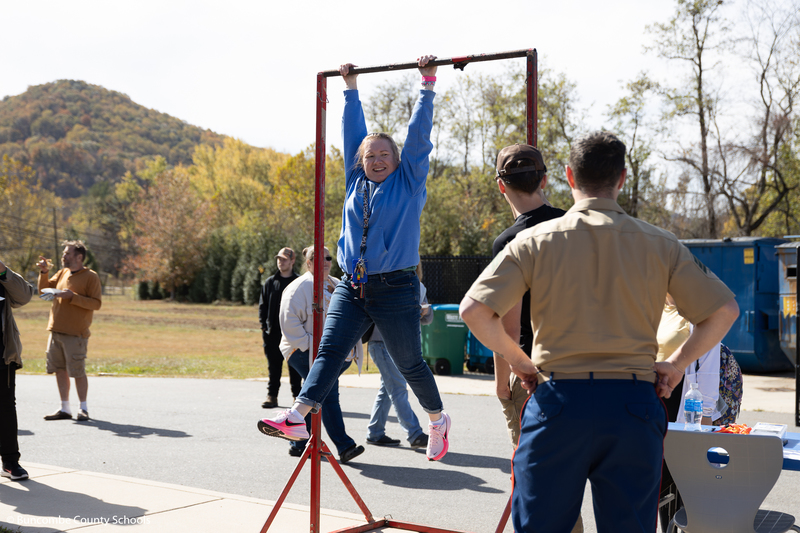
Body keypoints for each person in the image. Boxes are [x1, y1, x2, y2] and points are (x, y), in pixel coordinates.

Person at [459, 131, 739, 533]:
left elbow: (474, 311)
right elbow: (724, 309)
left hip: (558, 400)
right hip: (632, 405)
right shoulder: (662, 244)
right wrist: (676, 365)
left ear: (570, 177)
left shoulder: (531, 241)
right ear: (622, 178)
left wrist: (522, 364)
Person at [259, 54, 452, 462]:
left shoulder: (409, 182)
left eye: (384, 155)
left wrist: (427, 85)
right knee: (327, 351)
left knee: (410, 363)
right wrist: (350, 91)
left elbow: (419, 137)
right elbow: (353, 135)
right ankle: (297, 415)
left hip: (395, 287)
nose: (376, 159)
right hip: (351, 284)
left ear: (397, 162)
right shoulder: (355, 181)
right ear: (360, 162)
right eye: (370, 156)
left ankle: (436, 420)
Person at [490, 144, 566, 448]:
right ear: (544, 180)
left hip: (530, 369)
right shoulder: (573, 225)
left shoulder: (509, 241)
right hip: (579, 366)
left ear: (500, 186)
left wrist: (500, 383)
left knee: (531, 473)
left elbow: (504, 324)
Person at [278, 246, 364, 464]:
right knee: (327, 392)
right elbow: (289, 324)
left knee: (314, 393)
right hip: (303, 352)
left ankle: (298, 442)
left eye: (328, 257)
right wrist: (311, 346)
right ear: (307, 263)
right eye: (316, 258)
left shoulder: (337, 284)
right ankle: (344, 446)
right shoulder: (298, 288)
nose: (324, 261)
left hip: (330, 354)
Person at [364, 263, 430, 449]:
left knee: (389, 388)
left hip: (396, 344)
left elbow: (429, 317)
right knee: (398, 388)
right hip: (382, 343)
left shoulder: (416, 286)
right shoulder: (385, 282)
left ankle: (375, 432)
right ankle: (414, 433)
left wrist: (424, 310)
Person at [37, 240, 102, 422]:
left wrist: (72, 297)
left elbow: (96, 303)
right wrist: (44, 272)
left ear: (79, 257)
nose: (63, 256)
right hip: (56, 331)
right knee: (59, 369)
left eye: (67, 253)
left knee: (77, 371)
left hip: (76, 333)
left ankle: (83, 408)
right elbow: (43, 291)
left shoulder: (91, 277)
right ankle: (65, 408)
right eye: (64, 253)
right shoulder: (63, 272)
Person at [0, 258, 35, 480]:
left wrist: (3, 271)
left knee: (5, 406)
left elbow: (25, 296)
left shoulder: (3, 277)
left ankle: (11, 462)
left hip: (3, 353)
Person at [259, 247, 301, 409]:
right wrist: (264, 327)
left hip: (292, 334)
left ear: (292, 261)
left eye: (284, 259)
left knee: (295, 367)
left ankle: (297, 398)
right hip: (273, 334)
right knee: (274, 367)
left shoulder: (298, 282)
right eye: (279, 259)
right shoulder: (270, 282)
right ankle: (272, 396)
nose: (280, 262)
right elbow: (263, 306)